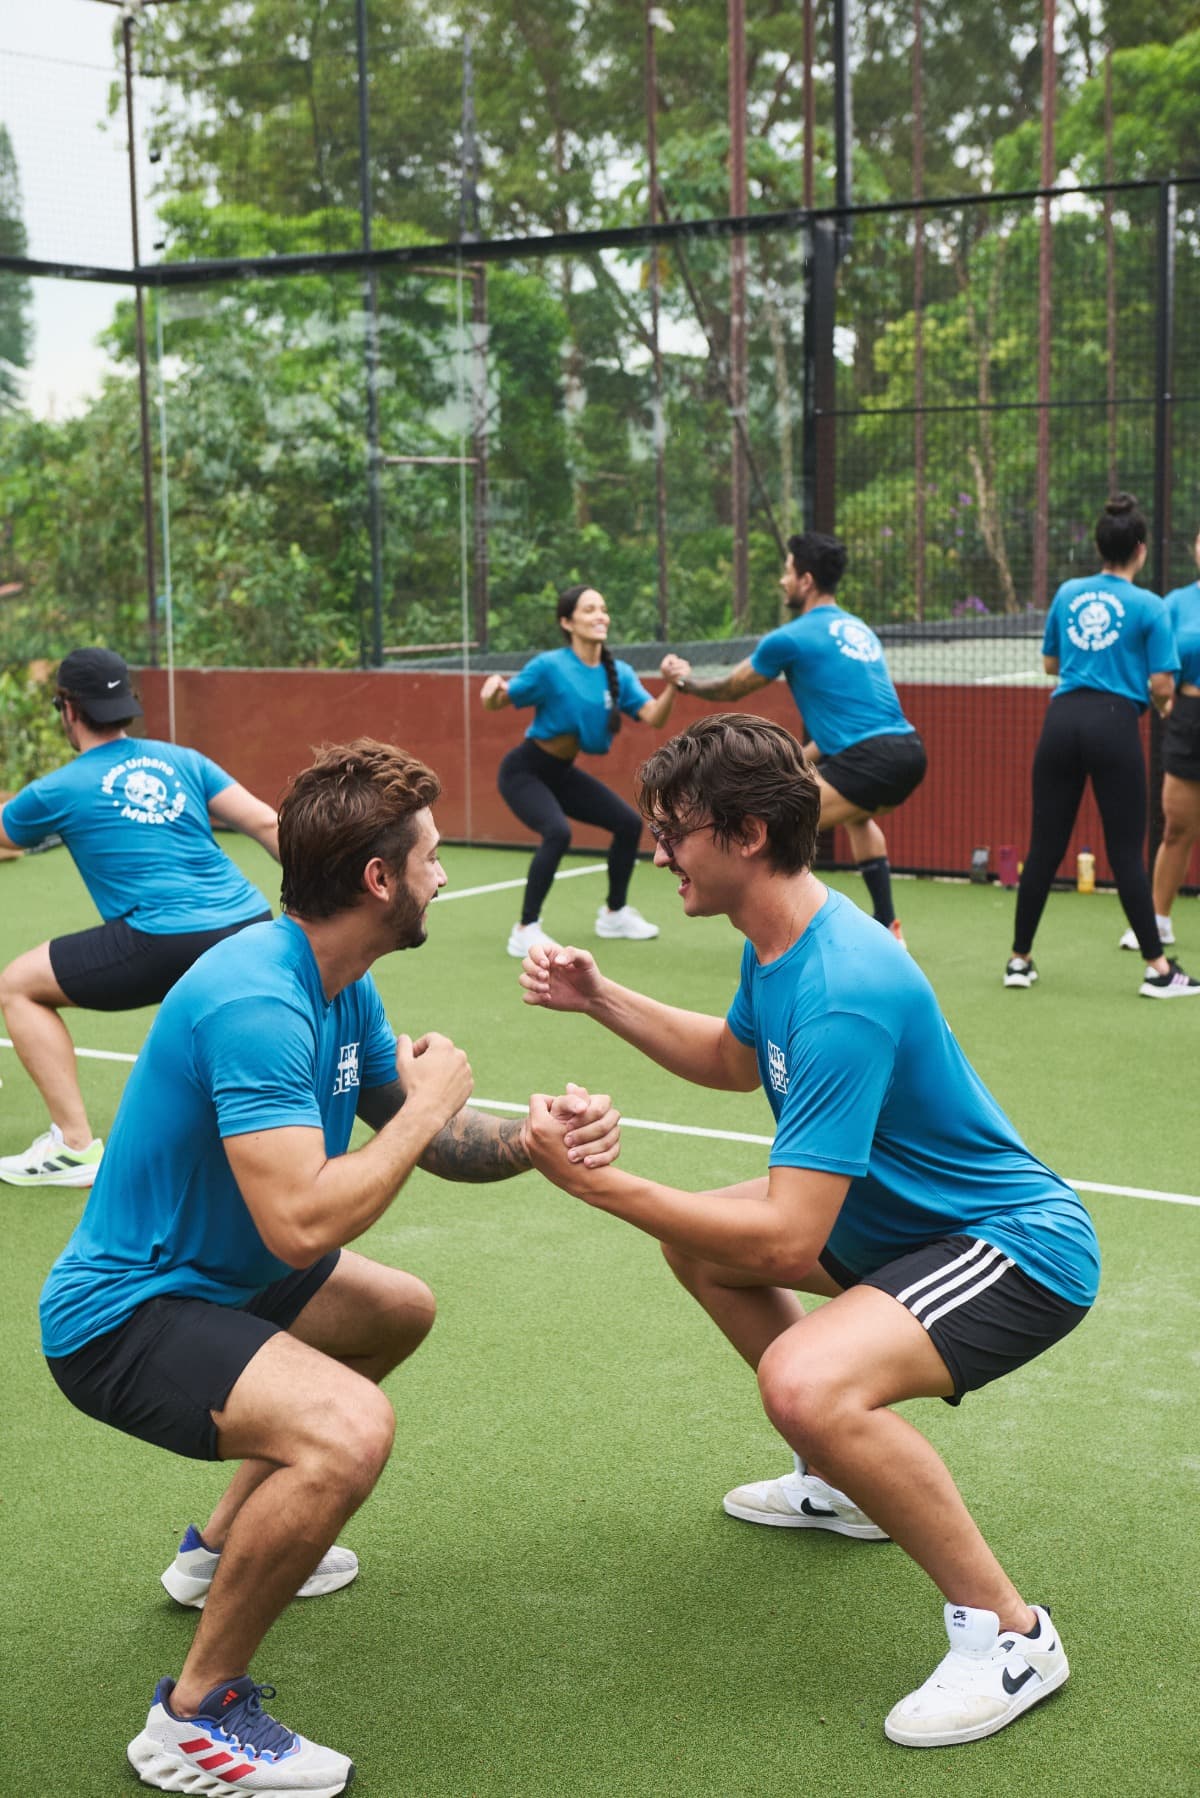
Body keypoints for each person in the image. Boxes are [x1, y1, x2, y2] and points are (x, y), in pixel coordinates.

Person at [40, 736, 619, 1795]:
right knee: (348, 1430)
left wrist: (530, 1142)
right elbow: (304, 1222)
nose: (443, 873)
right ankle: (194, 1717)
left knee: (396, 1309)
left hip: (224, 1272)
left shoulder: (339, 982)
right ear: (380, 878)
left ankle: (217, 1553)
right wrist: (428, 1108)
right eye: (431, 856)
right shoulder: (257, 1000)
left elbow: (425, 1136)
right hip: (124, 1313)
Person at [519, 713, 1098, 1750]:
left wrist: (598, 1185)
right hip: (901, 1221)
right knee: (703, 1246)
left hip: (1013, 1247)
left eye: (674, 833)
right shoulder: (781, 938)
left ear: (747, 835)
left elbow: (789, 1242)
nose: (658, 851)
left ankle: (1010, 1635)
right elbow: (734, 1059)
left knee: (804, 1380)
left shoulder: (841, 987)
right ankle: (841, 1483)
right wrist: (600, 997)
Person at [0, 647, 281, 1187]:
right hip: (251, 922)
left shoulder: (57, 789)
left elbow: (6, 835)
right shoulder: (185, 760)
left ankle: (73, 1148)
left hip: (164, 939)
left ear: (68, 709)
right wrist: (319, 901)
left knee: (17, 985)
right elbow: (270, 825)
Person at [661, 532, 925, 945]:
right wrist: (792, 761)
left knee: (774, 828)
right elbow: (846, 725)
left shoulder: (790, 637)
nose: (782, 581)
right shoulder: (857, 629)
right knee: (856, 817)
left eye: (787, 572)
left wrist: (684, 680)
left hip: (869, 759)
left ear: (806, 580)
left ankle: (792, 934)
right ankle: (889, 926)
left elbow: (731, 687)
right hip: (907, 752)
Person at [1006, 494, 1200, 998]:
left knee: (1044, 847)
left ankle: (1019, 961)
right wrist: (1158, 703)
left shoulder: (1069, 592)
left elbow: (1050, 664)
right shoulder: (1150, 605)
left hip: (1061, 720)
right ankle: (1158, 970)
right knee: (1126, 852)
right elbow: (1163, 684)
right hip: (1114, 724)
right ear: (1140, 550)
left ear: (1099, 547)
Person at [481, 583, 680, 958]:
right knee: (558, 832)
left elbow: (654, 715)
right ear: (567, 622)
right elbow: (498, 700)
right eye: (589, 610)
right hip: (525, 771)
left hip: (561, 774)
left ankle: (615, 915)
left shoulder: (617, 672)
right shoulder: (549, 667)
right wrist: (491, 691)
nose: (600, 616)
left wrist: (672, 686)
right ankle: (525, 929)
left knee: (627, 823)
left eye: (603, 609)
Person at [1117, 527, 1200, 952]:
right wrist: (1164, 702)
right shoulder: (1176, 604)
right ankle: (1157, 922)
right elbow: (1157, 665)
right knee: (1177, 828)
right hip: (1189, 719)